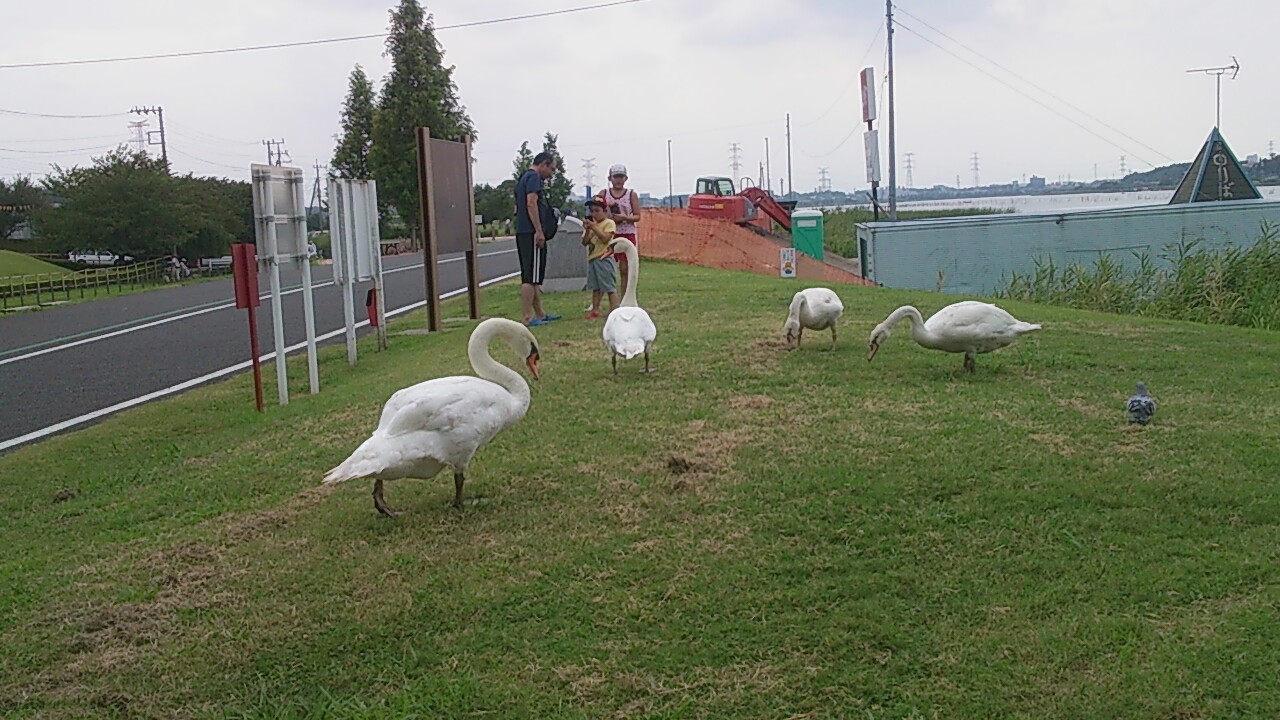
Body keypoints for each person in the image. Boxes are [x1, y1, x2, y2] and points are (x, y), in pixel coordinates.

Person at [514, 152, 562, 326]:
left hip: (523, 231)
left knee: (534, 276)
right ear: (544, 164)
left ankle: (540, 313)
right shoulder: (534, 178)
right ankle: (527, 316)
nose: (551, 173)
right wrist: (539, 230)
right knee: (529, 277)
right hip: (530, 232)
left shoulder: (524, 177)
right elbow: (531, 202)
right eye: (551, 169)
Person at [596, 164, 641, 297]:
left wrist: (624, 217)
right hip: (609, 232)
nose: (618, 180)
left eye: (621, 177)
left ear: (626, 178)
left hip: (627, 232)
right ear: (610, 178)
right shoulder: (604, 194)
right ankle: (600, 298)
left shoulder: (631, 194)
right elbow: (595, 211)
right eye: (616, 177)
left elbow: (637, 216)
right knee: (603, 266)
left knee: (625, 268)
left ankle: (624, 297)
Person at [581, 199, 618, 319]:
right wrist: (587, 230)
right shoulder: (592, 226)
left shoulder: (609, 223)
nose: (594, 214)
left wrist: (594, 227)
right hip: (593, 258)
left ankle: (615, 310)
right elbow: (584, 242)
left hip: (605, 258)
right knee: (595, 287)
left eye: (597, 211)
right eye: (592, 211)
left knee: (609, 286)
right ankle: (595, 309)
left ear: (605, 211)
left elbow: (605, 238)